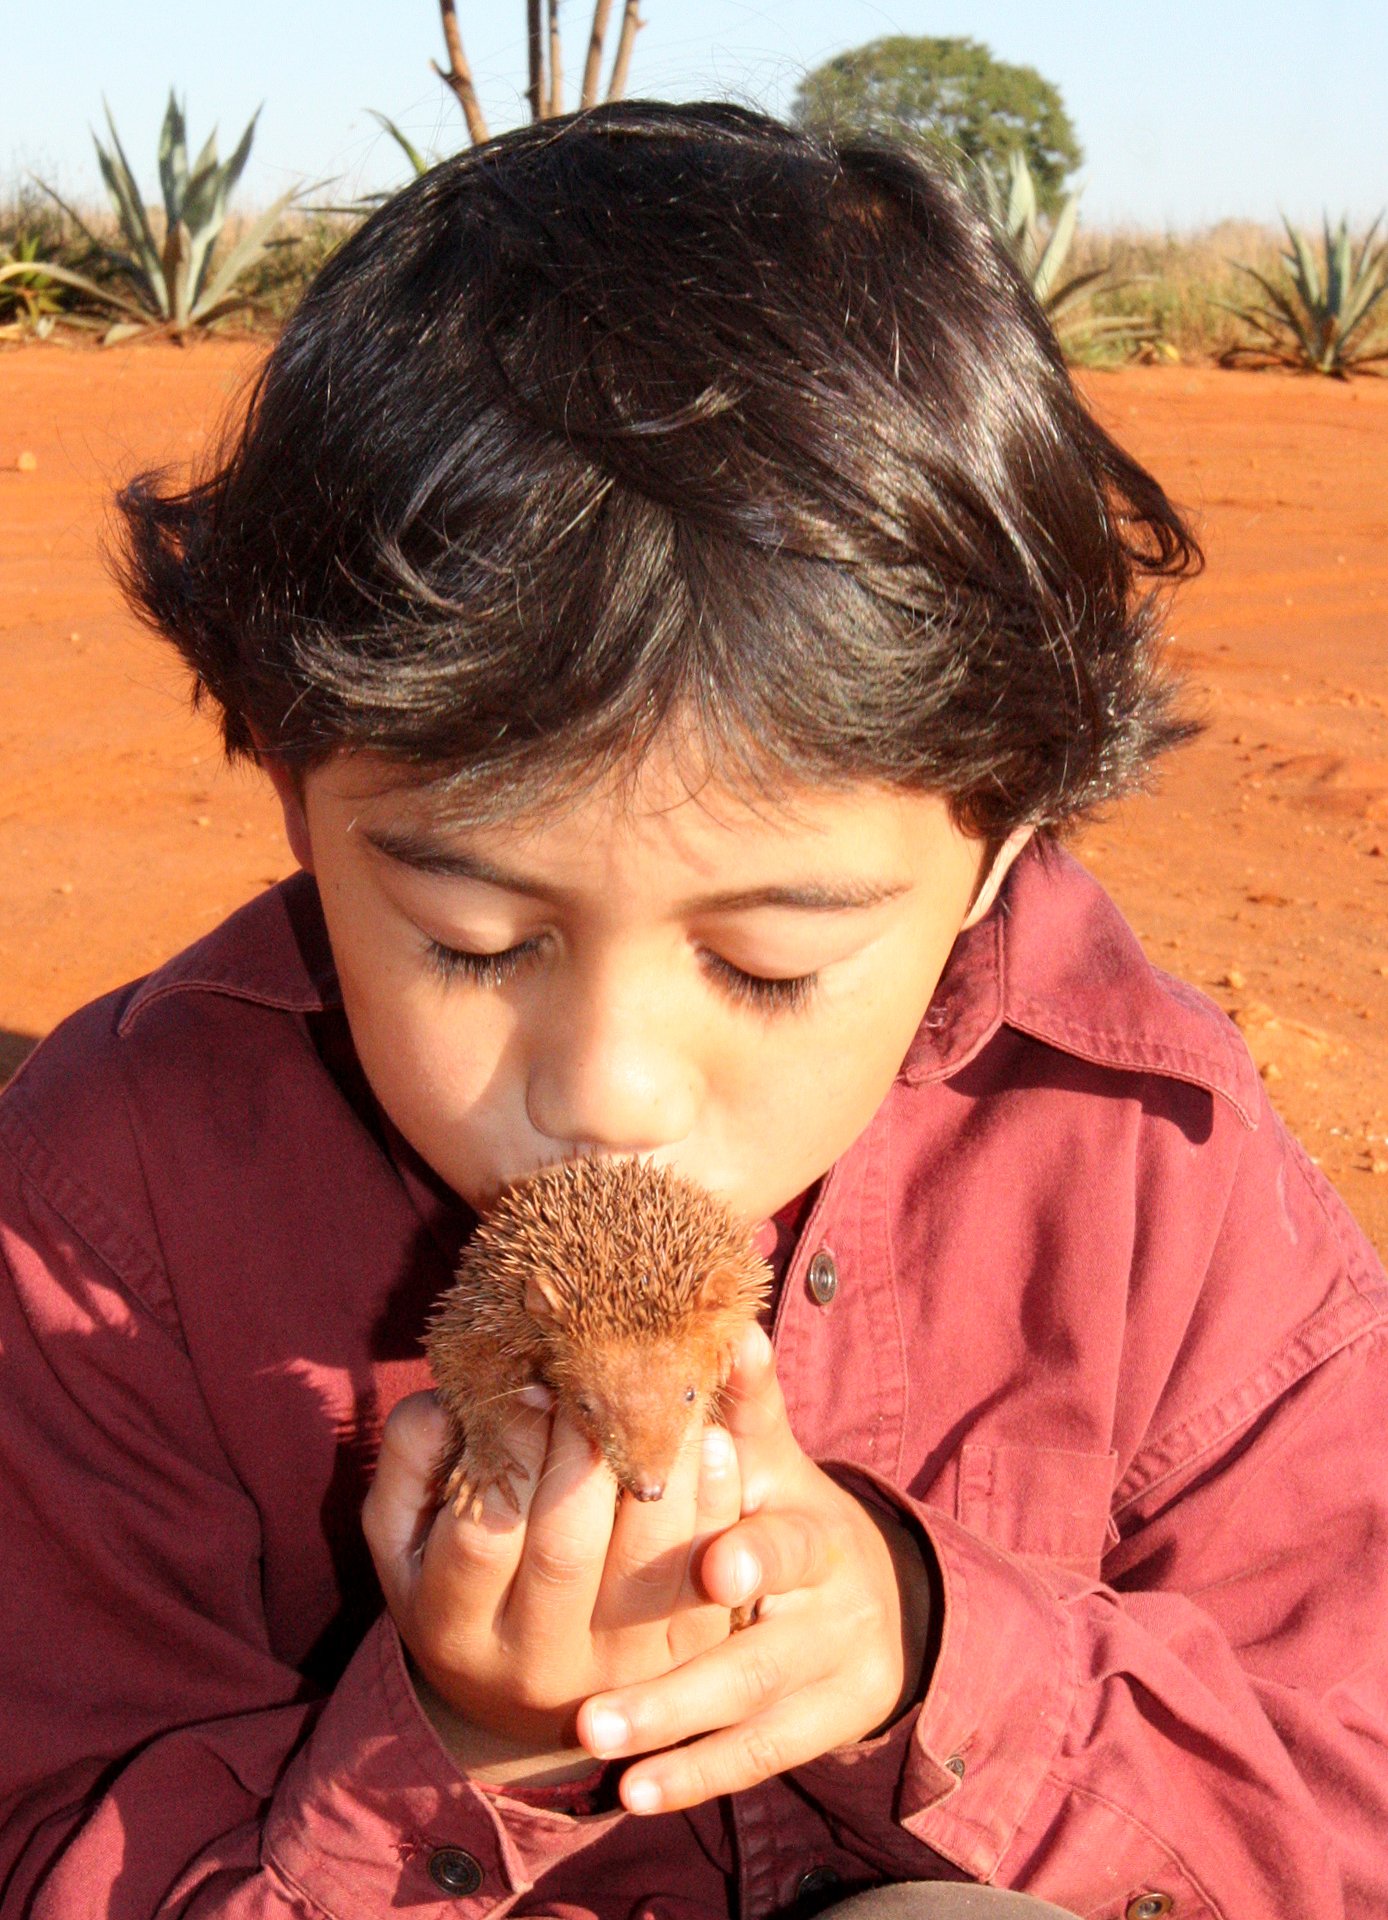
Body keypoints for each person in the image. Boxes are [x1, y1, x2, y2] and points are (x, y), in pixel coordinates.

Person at [0, 102, 1383, 1920]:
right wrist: (447, 1742)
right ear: (295, 800)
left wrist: (931, 1644)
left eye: (771, 964)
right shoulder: (108, 1205)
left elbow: (1347, 1796)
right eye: (477, 939)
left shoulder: (1157, 1166)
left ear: (994, 860)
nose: (615, 1086)